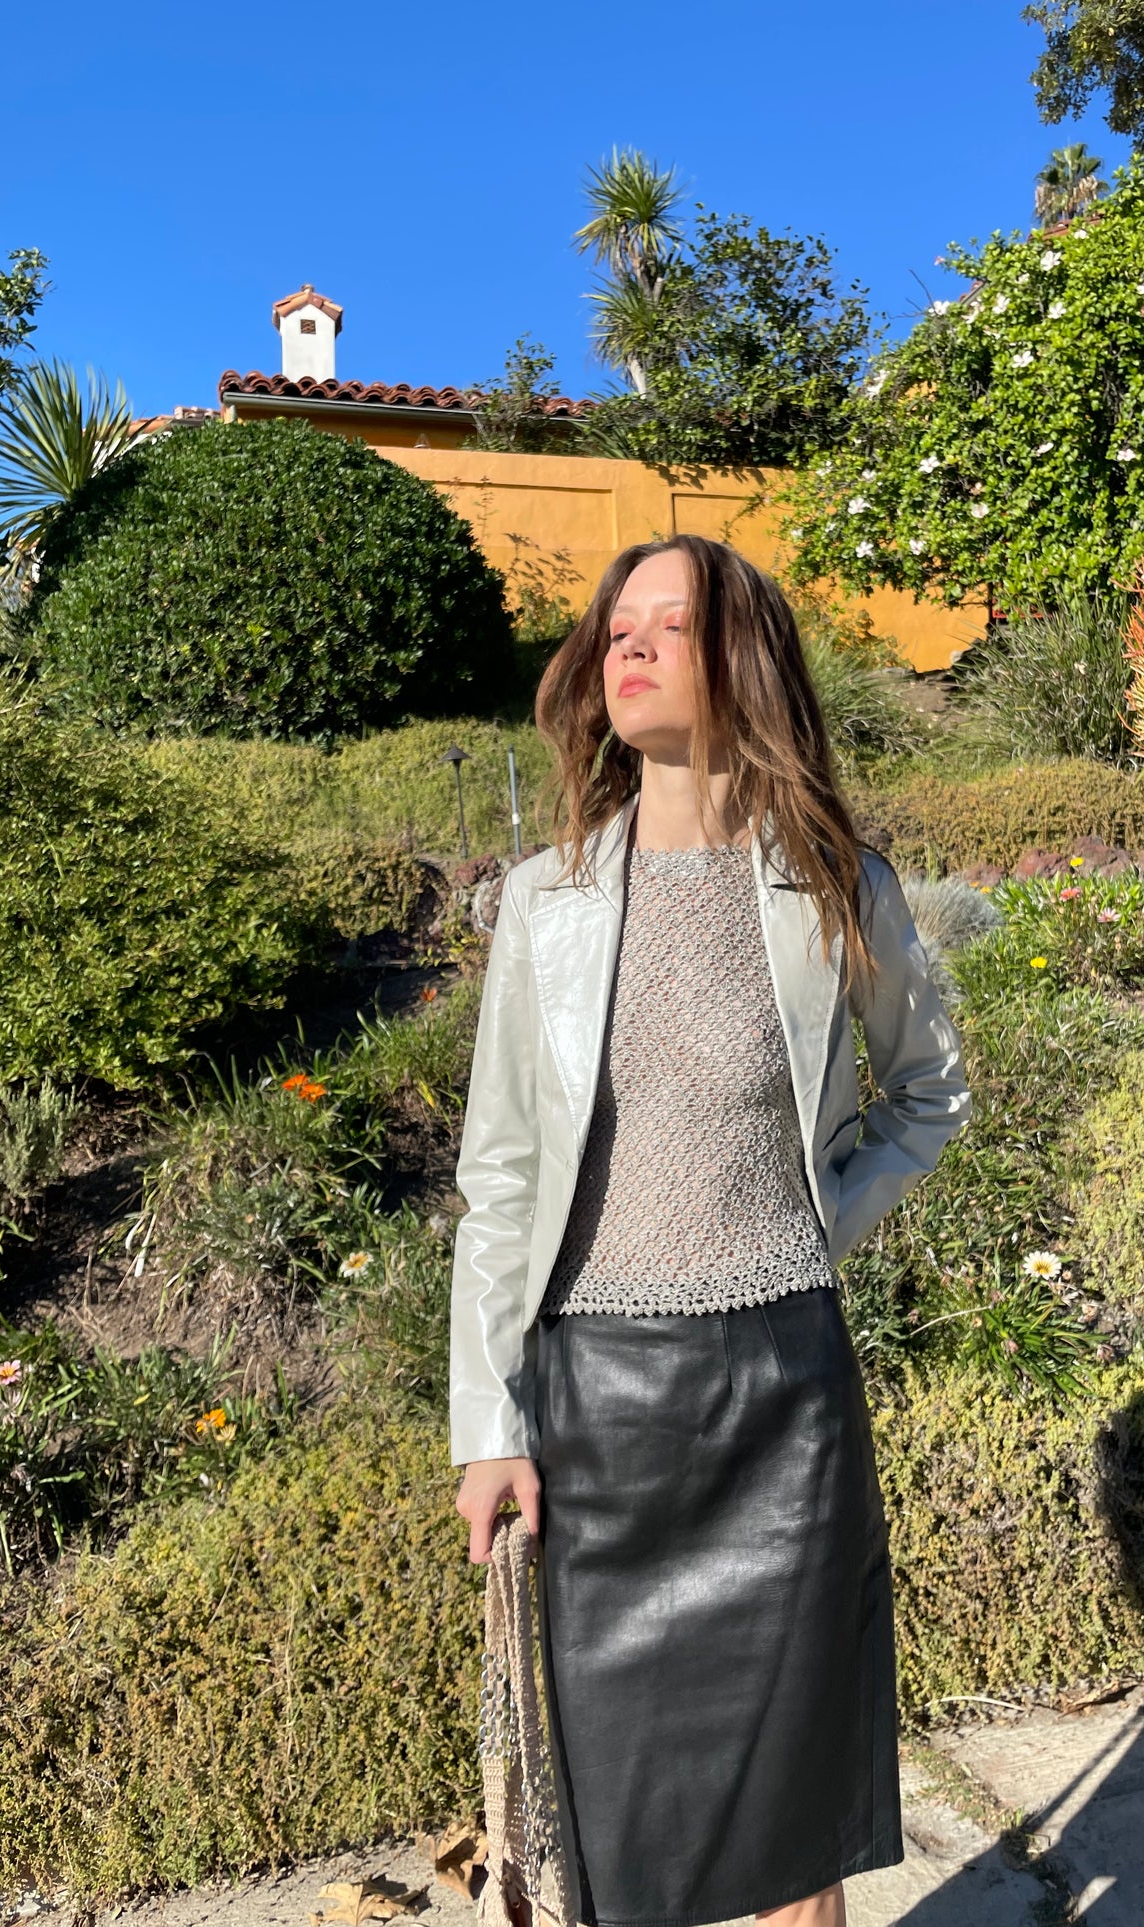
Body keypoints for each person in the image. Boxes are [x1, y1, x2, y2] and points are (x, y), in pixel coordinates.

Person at [449, 534, 971, 1927]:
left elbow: (928, 1097)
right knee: (632, 1846)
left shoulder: (838, 886)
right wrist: (487, 1422)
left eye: (666, 625)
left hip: (782, 1407)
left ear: (742, 662)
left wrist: (813, 1233)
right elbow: (500, 1174)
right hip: (601, 1413)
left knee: (792, 1841)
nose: (626, 646)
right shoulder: (544, 902)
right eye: (615, 627)